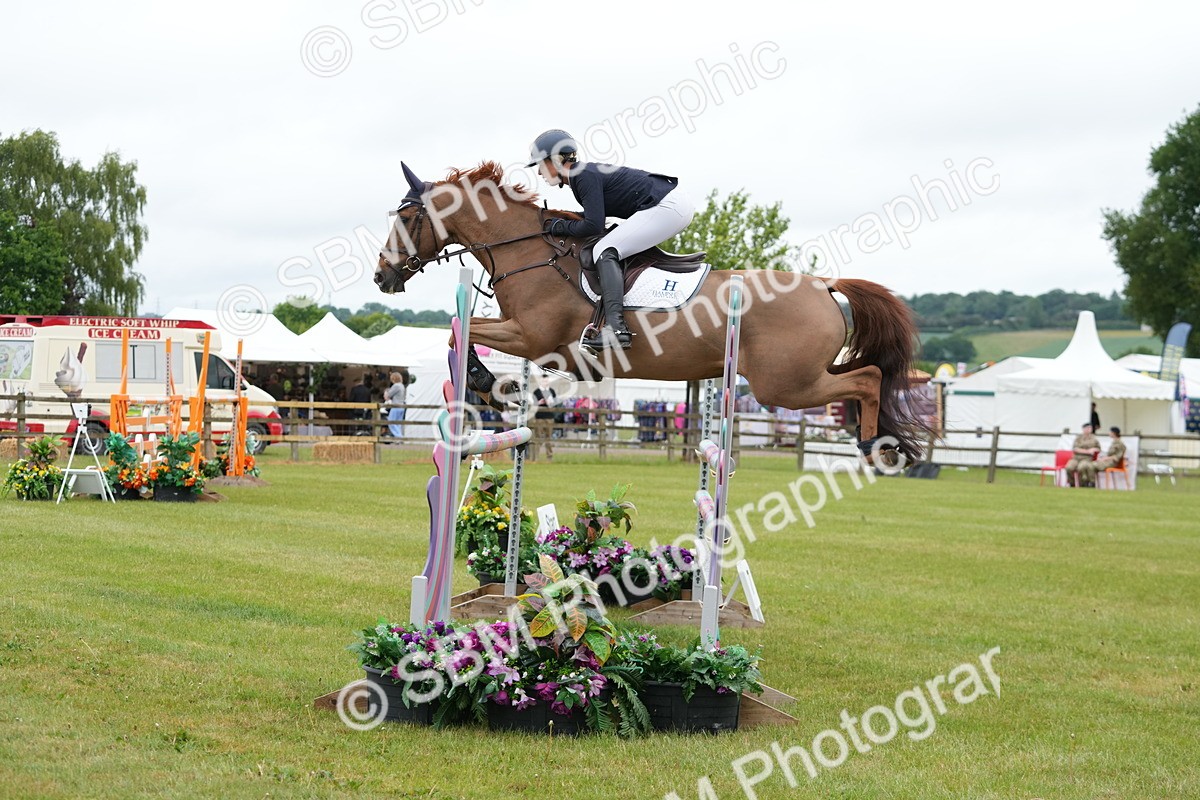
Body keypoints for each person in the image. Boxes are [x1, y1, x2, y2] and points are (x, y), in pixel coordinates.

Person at [527, 128, 695, 351]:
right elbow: (593, 218)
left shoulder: (582, 176)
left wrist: (560, 226)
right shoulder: (580, 176)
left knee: (604, 249)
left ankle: (617, 328)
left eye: (540, 164)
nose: (539, 173)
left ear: (555, 160)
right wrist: (563, 221)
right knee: (609, 245)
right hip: (668, 204)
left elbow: (593, 226)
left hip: (667, 206)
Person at [1063, 422, 1101, 487]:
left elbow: (1098, 449)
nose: (1088, 429)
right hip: (1076, 458)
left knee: (1081, 467)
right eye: (1087, 428)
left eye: (1090, 428)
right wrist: (1087, 451)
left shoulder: (1094, 439)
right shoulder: (1078, 438)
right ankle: (1072, 483)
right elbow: (1075, 449)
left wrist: (1094, 449)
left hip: (1086, 459)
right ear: (1083, 429)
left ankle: (1082, 484)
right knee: (1069, 467)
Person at [531, 378, 558, 462]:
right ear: (540, 381)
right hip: (539, 417)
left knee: (548, 438)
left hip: (549, 417)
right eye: (544, 381)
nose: (545, 382)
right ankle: (536, 457)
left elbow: (555, 403)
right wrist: (539, 403)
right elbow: (533, 404)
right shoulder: (536, 392)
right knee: (538, 437)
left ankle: (549, 457)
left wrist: (550, 402)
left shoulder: (552, 391)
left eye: (547, 381)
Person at [384, 370, 407, 439]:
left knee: (391, 422)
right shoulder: (402, 386)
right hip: (402, 406)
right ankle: (399, 436)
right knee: (398, 423)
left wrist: (386, 391)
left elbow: (388, 396)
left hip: (396, 406)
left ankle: (398, 436)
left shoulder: (396, 386)